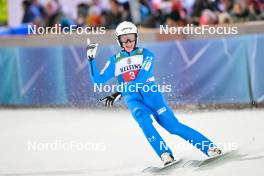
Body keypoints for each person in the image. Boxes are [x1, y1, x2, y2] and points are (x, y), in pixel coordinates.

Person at [86, 21, 222, 166]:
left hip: (153, 96)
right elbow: (98, 81)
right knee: (144, 122)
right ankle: (164, 154)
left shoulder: (147, 55)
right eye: (124, 39)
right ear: (118, 41)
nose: (128, 42)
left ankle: (209, 147)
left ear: (136, 38)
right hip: (134, 101)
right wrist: (91, 59)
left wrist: (119, 92)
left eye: (131, 37)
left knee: (172, 126)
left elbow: (142, 78)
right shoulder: (114, 60)